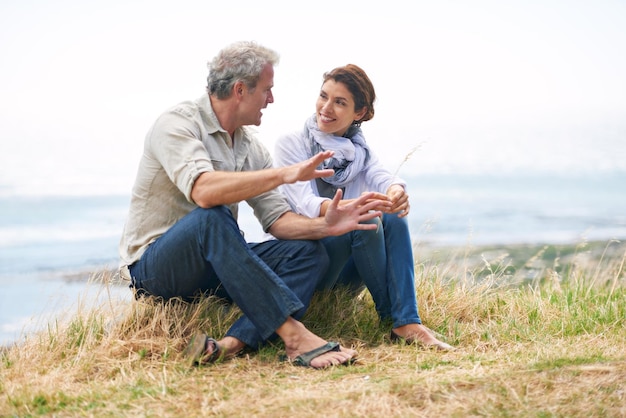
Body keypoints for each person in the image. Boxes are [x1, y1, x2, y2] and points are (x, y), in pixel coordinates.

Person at [118, 42, 389, 369]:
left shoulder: (250, 147)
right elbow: (203, 192)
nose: (271, 99)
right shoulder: (177, 124)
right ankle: (293, 335)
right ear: (240, 90)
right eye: (266, 90)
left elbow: (278, 221)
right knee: (212, 217)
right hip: (157, 269)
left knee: (308, 252)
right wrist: (285, 174)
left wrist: (325, 227)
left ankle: (232, 343)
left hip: (215, 267)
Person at [273, 64, 454, 350]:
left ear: (359, 113)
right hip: (310, 265)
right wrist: (353, 207)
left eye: (339, 102)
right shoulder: (292, 144)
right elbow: (305, 204)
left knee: (390, 214)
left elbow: (382, 177)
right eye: (324, 96)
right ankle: (395, 319)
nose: (326, 107)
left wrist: (395, 191)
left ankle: (406, 321)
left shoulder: (358, 152)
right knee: (366, 219)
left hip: (346, 272)